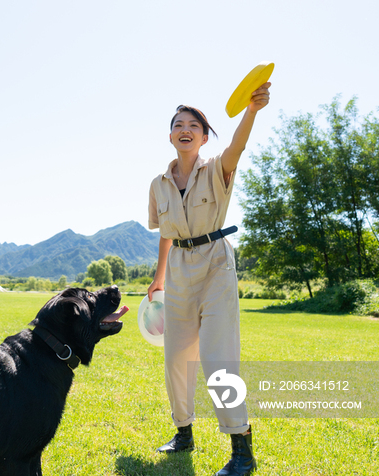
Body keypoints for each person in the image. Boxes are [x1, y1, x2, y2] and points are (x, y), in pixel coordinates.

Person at [147, 82, 271, 476]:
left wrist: (251, 110)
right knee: (176, 360)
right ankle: (184, 433)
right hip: (179, 272)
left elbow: (237, 147)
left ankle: (242, 451)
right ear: (170, 136)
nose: (186, 128)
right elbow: (167, 231)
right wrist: (158, 278)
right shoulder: (158, 184)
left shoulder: (217, 167)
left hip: (217, 266)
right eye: (179, 124)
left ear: (203, 136)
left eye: (194, 124)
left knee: (220, 361)